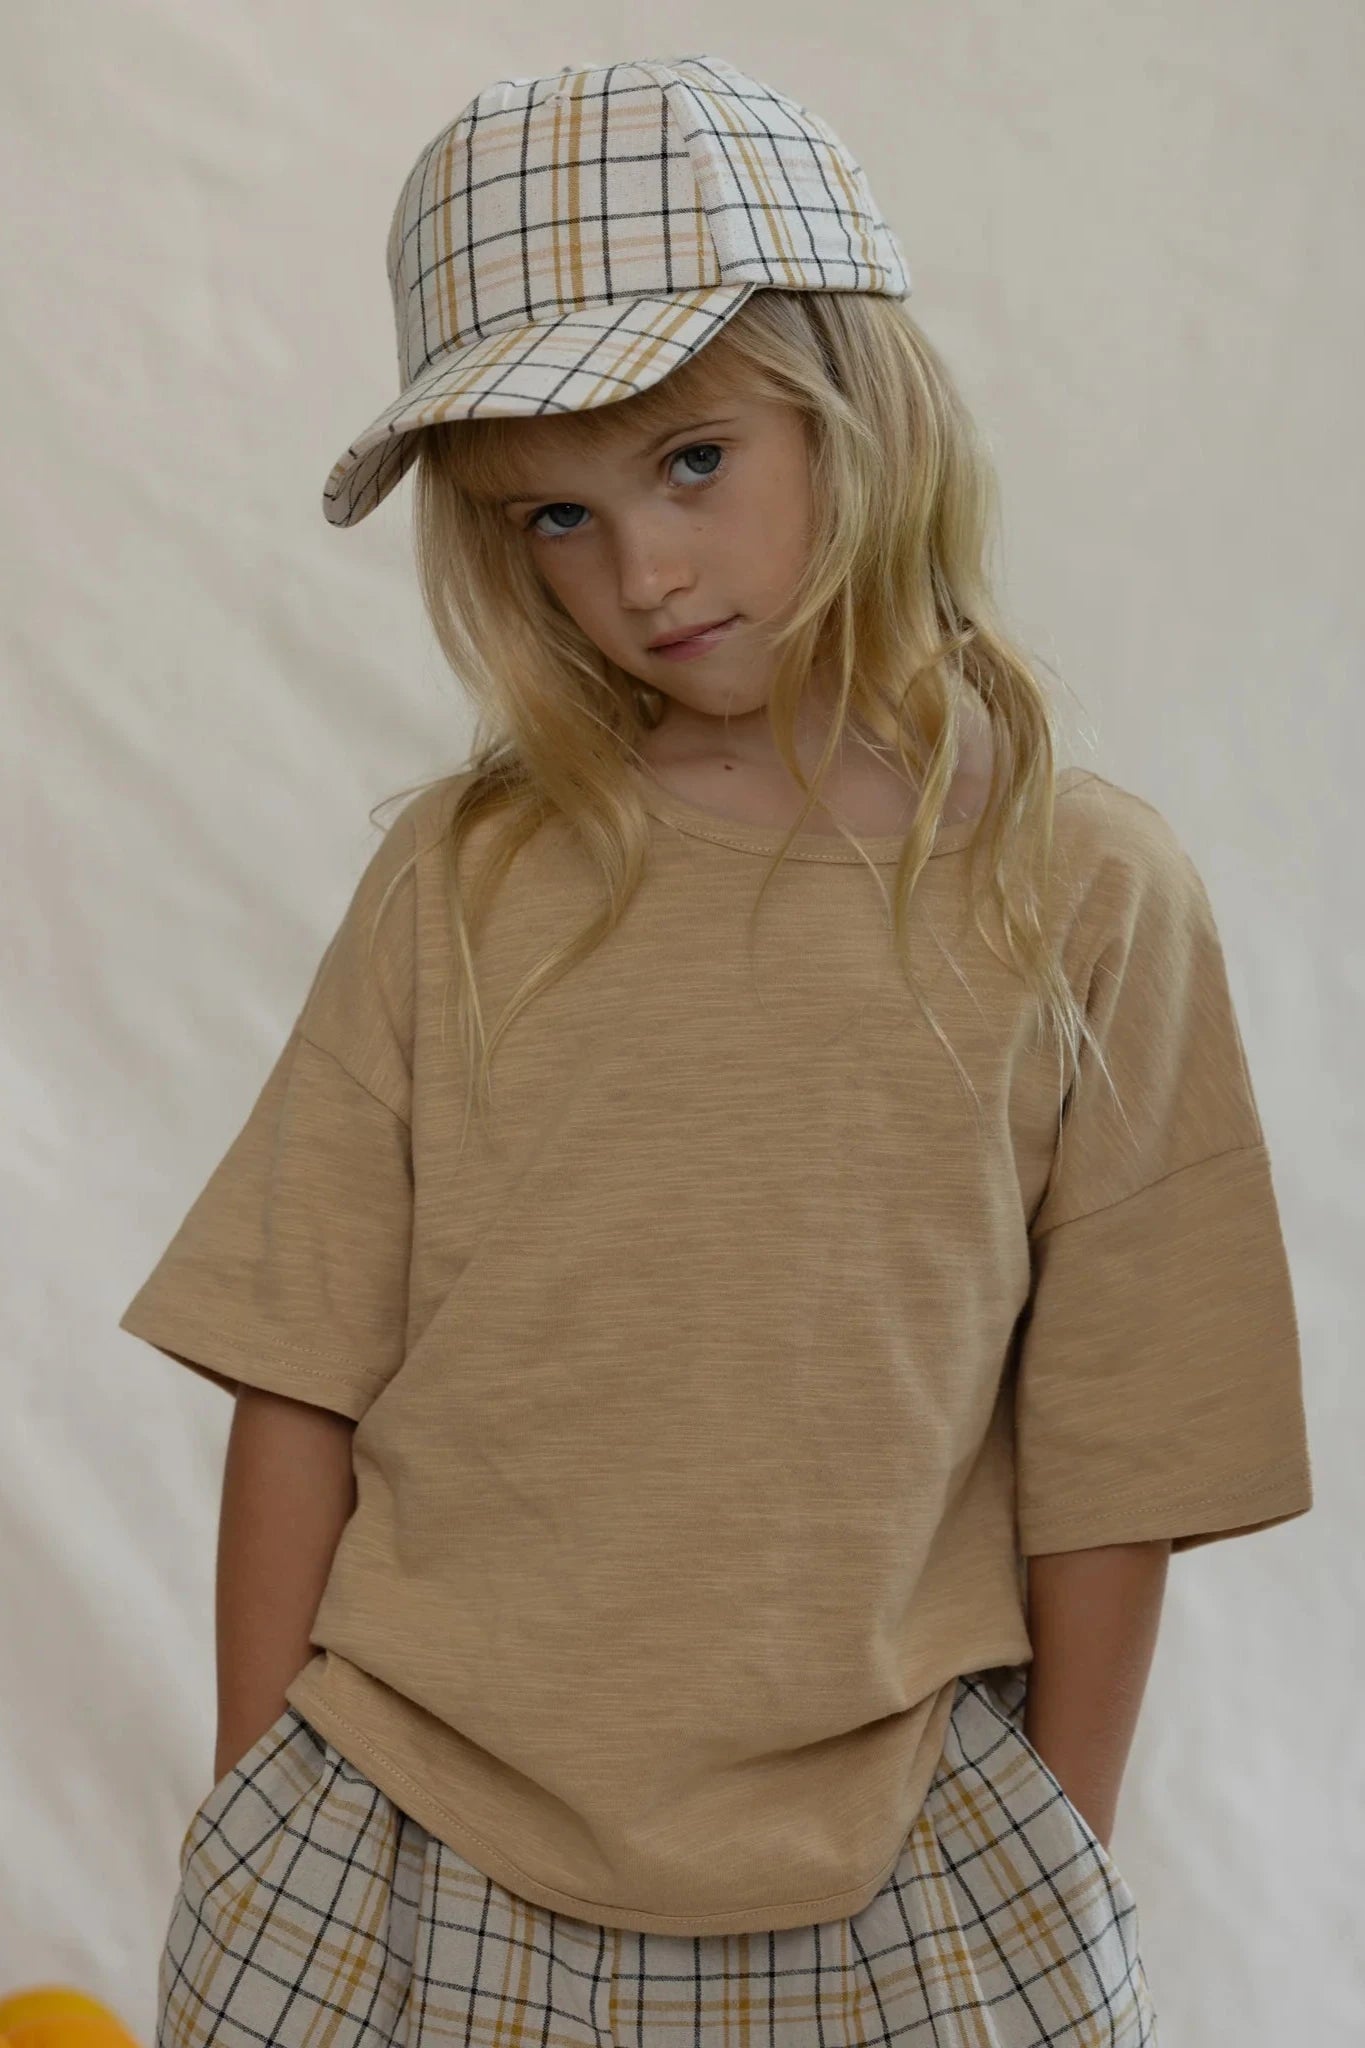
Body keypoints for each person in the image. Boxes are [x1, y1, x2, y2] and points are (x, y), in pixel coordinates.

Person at [118, 52, 1313, 2048]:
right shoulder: (461, 879)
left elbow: (1119, 1458)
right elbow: (298, 1375)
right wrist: (250, 1812)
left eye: (690, 465)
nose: (637, 577)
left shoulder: (1081, 892)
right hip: (402, 1835)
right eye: (554, 516)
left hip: (894, 1872)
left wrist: (1060, 1847)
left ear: (860, 398)